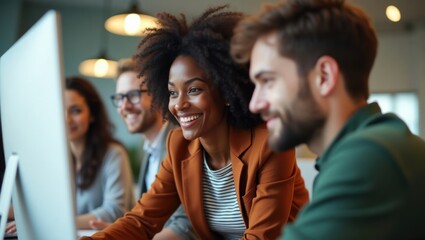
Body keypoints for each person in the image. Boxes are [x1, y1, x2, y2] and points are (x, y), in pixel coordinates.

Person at [82, 5, 309, 240]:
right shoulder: (178, 145)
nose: (179, 104)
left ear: (226, 92)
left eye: (194, 89)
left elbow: (262, 238)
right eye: (172, 93)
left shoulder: (269, 143)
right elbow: (141, 220)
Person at [230, 0, 425, 239]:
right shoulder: (356, 153)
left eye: (268, 81)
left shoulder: (371, 156)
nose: (255, 104)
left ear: (324, 76)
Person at [89, 58, 198, 239]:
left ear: (157, 95)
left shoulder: (181, 144)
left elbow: (186, 224)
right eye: (120, 98)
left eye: (133, 95)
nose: (125, 106)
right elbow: (147, 220)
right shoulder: (149, 151)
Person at [65, 76, 134, 229]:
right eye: (61, 110)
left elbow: (114, 211)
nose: (67, 119)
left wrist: (61, 224)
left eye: (76, 111)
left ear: (92, 114)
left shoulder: (114, 154)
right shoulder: (60, 159)